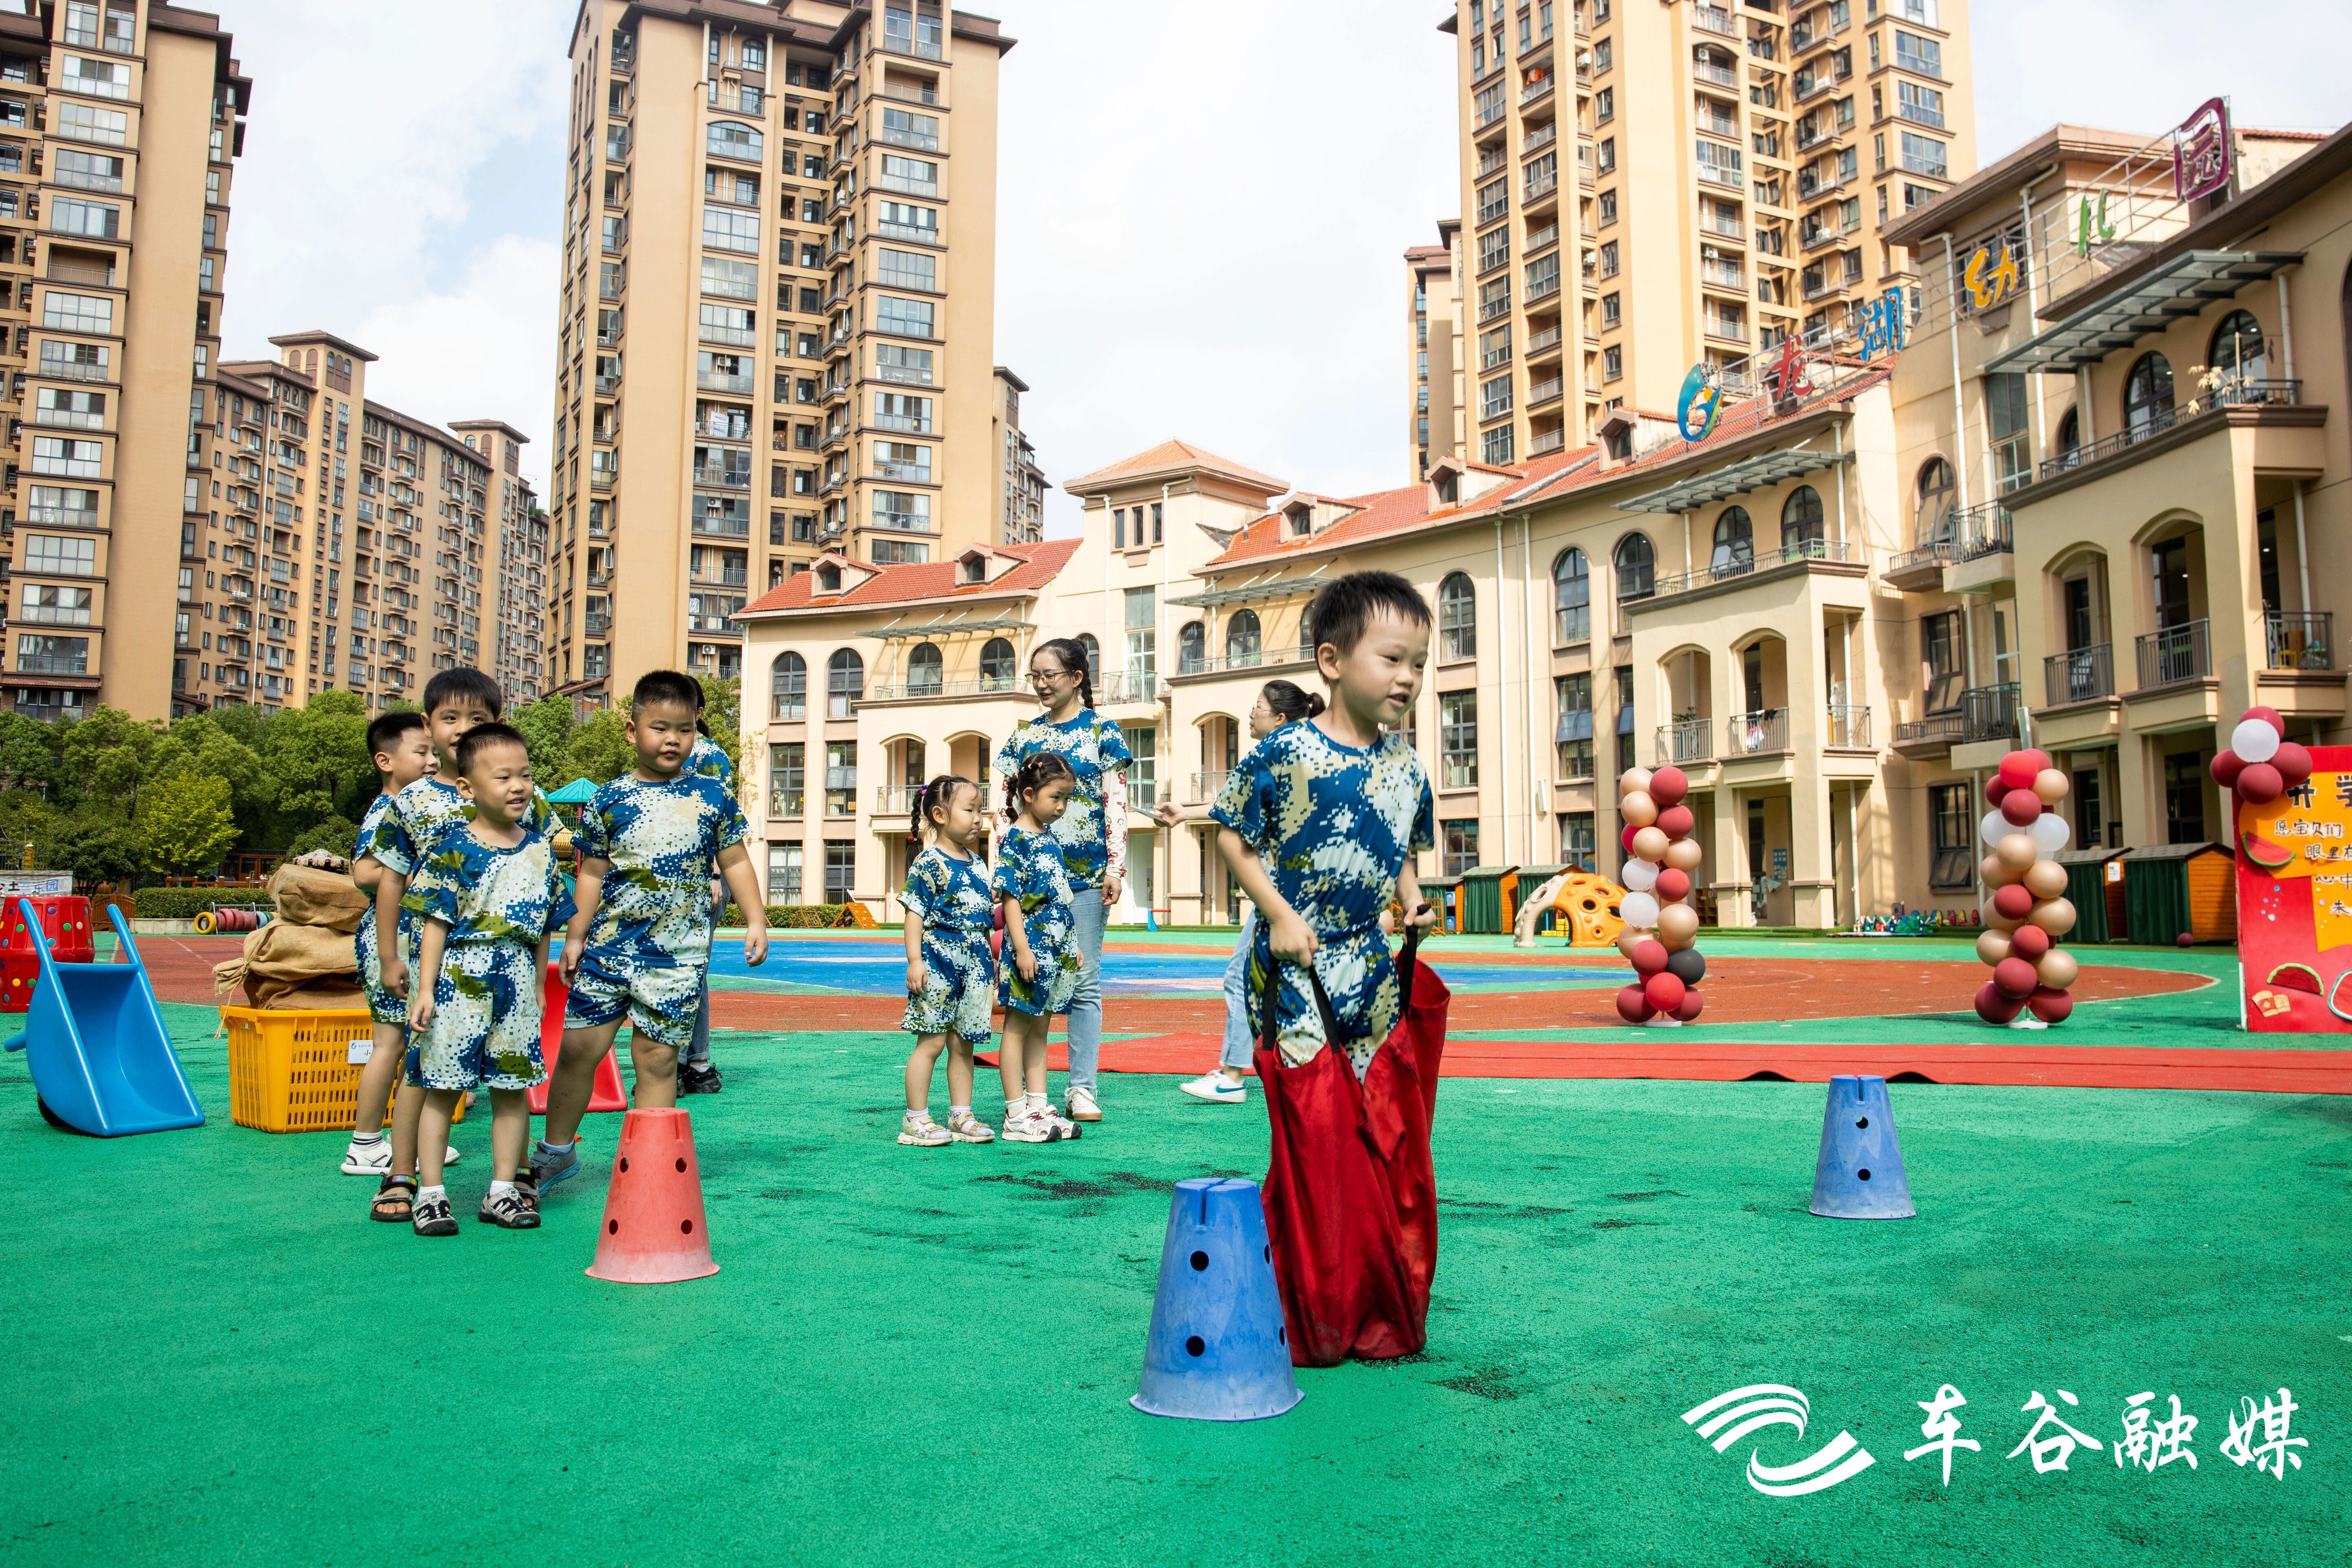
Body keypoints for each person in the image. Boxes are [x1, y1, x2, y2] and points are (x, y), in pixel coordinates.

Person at [533, 670, 769, 1193]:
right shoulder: (609, 798)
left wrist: (755, 918)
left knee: (658, 1059)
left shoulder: (713, 795)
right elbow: (591, 873)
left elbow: (735, 860)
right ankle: (556, 1151)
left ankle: (650, 1163)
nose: (672, 740)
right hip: (608, 952)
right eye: (659, 727)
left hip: (677, 958)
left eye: (684, 730)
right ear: (631, 730)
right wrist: (575, 936)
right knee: (578, 1051)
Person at [1212, 573, 1438, 1077]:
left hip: (1372, 965)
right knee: (1313, 1105)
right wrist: (1280, 917)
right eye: (1392, 659)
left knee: (1375, 1105)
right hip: (1296, 961)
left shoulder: (1408, 767)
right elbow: (1231, 835)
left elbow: (1398, 848)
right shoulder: (1287, 751)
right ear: (1332, 661)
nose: (1408, 677)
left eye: (1419, 664)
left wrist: (1411, 901)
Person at [357, 667, 556, 1221]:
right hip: (423, 957)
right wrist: (390, 956)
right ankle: (403, 1175)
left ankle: (511, 1177)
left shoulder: (528, 798)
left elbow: (539, 873)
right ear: (428, 724)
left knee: (507, 1074)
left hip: (503, 964)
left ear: (498, 723)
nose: (462, 728)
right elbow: (389, 880)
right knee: (419, 1068)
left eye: (477, 718)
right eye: (450, 718)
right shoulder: (412, 800)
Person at [403, 723, 576, 1237]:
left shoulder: (541, 850)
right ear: (467, 787)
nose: (518, 786)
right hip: (459, 979)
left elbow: (545, 925)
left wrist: (539, 987)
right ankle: (430, 1194)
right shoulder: (452, 847)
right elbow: (434, 922)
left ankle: (502, 1189)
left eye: (525, 775)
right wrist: (426, 989)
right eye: (503, 777)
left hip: (516, 980)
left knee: (512, 1088)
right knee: (441, 1088)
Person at [1154, 679, 1325, 1105]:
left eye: (1258, 706)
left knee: (1241, 977)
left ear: (1279, 718)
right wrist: (1186, 812)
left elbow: (1234, 825)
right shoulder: (1312, 754)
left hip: (1279, 894)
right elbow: (1238, 804)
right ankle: (1302, 1066)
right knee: (1302, 979)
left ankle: (1232, 1074)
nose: (1251, 713)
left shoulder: (1268, 755)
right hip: (1313, 889)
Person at [990, 637, 1129, 1125]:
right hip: (1033, 887)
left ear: (1075, 677)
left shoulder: (1103, 732)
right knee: (1034, 983)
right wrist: (1008, 853)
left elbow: (1116, 801)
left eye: (1049, 675)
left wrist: (1115, 867)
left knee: (1083, 981)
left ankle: (1081, 1088)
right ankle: (1032, 1099)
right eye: (1035, 676)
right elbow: (1001, 803)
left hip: (1087, 878)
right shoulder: (1024, 736)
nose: (1041, 684)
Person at [342, 710, 452, 1204]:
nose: (431, 760)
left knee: (409, 1042)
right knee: (391, 1043)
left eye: (433, 751)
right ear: (385, 761)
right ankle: (366, 1144)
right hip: (395, 940)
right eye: (421, 751)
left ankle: (401, 1140)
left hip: (409, 939)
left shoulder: (412, 804)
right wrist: (425, 876)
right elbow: (365, 872)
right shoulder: (390, 807)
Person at [896, 775, 1002, 1146]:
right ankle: (915, 1118)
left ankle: (961, 1114)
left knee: (964, 1044)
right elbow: (914, 914)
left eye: (979, 810)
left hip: (976, 965)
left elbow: (984, 918)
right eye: (969, 810)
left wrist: (990, 964)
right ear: (940, 815)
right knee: (932, 1042)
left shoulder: (978, 863)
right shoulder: (928, 862)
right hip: (938, 962)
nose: (978, 818)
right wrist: (915, 960)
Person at [994, 753, 1083, 1143]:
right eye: (1055, 797)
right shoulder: (1016, 839)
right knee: (1017, 1027)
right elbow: (1011, 898)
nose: (1062, 806)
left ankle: (1039, 1103)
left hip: (1056, 950)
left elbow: (1060, 896)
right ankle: (1016, 1112)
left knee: (1041, 1028)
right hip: (1030, 949)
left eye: (1066, 798)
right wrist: (1021, 948)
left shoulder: (1049, 838)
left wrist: (1072, 944)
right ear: (1029, 794)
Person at [678, 692, 732, 1096]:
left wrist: (714, 871)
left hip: (702, 877)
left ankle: (685, 1062)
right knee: (688, 969)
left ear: (697, 713)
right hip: (677, 879)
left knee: (687, 968)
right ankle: (693, 1061)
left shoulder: (707, 753)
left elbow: (718, 816)